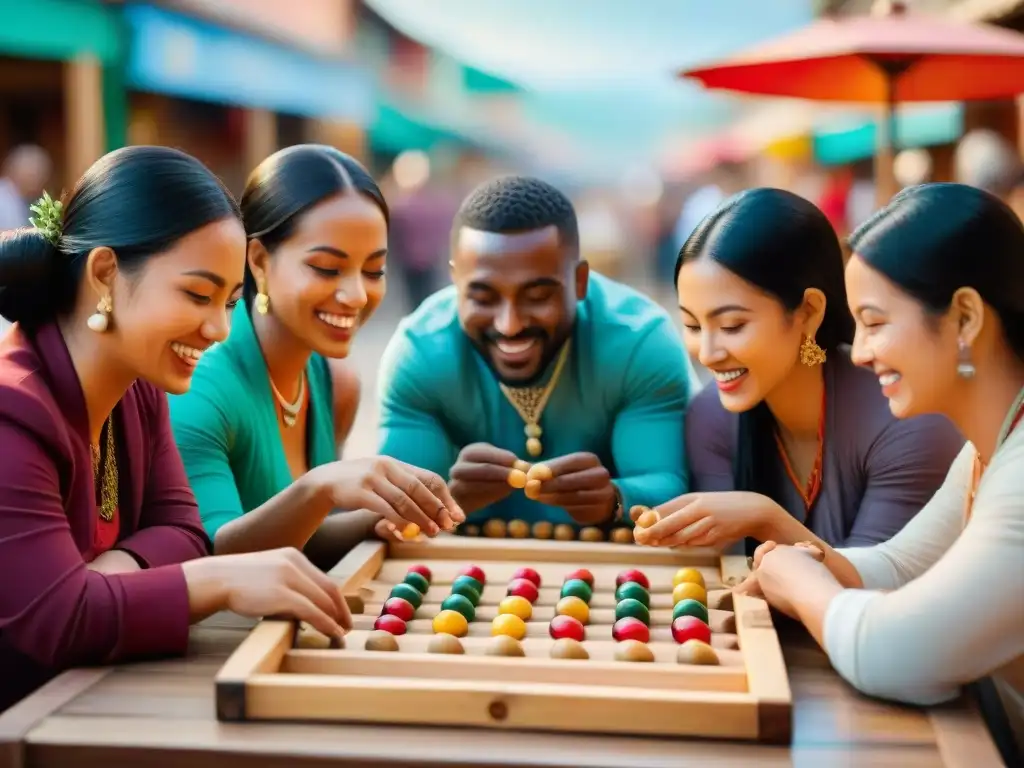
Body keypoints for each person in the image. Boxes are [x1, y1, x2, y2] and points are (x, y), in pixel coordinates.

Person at [0, 146, 353, 713]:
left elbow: (186, 532)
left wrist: (109, 577)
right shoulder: (12, 411)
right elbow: (58, 619)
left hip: (88, 705)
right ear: (106, 273)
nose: (217, 328)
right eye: (197, 294)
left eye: (231, 302)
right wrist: (220, 582)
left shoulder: (139, 387)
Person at [738, 183, 1024, 763]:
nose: (861, 353)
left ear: (965, 316)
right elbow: (903, 565)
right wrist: (790, 549)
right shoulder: (988, 448)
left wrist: (800, 583)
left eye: (873, 322)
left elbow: (893, 655)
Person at [169, 145, 462, 569]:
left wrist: (381, 518)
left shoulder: (334, 379)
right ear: (259, 260)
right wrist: (320, 488)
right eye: (327, 268)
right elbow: (210, 556)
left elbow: (298, 541)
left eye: (374, 270)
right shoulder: (202, 385)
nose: (357, 295)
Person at [634, 188, 963, 553]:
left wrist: (765, 517)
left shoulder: (904, 419)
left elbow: (874, 589)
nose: (707, 355)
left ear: (808, 312)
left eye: (731, 326)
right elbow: (724, 572)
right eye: (693, 327)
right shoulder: (711, 417)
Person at [377, 175, 696, 538]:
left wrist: (617, 500)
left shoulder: (640, 343)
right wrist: (447, 500)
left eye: (537, 296)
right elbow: (392, 517)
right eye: (483, 297)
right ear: (456, 283)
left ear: (580, 281)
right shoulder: (420, 353)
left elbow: (674, 490)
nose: (509, 325)